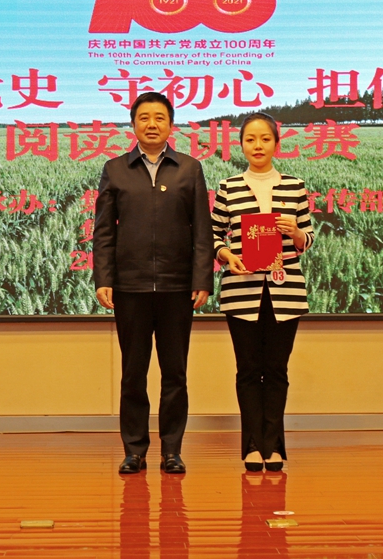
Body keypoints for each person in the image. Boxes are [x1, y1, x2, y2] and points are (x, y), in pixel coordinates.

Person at [93, 92, 213, 475]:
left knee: (175, 373)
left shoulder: (189, 168)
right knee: (133, 373)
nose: (151, 124)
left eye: (159, 117)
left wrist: (202, 278)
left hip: (178, 288)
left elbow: (202, 229)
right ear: (133, 125)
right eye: (143, 117)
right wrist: (104, 278)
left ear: (170, 125)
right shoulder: (115, 169)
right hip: (130, 287)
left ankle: (172, 451)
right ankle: (134, 451)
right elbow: (103, 232)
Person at [211, 112, 314, 472]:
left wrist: (296, 234)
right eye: (250, 139)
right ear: (241, 145)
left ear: (276, 144)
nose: (258, 145)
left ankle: (275, 446)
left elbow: (308, 238)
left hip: (286, 292)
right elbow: (213, 235)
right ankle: (253, 446)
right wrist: (226, 255)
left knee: (277, 371)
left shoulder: (295, 186)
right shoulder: (228, 187)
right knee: (247, 370)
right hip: (241, 290)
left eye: (265, 139)